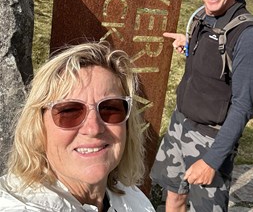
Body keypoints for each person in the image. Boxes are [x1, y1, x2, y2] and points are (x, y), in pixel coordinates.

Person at [150, 0, 253, 211]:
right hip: (179, 123)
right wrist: (188, 43)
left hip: (210, 139)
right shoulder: (201, 18)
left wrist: (212, 160)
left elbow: (242, 105)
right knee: (175, 195)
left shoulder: (248, 35)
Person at [0, 41, 155, 211]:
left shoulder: (131, 196)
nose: (93, 129)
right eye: (69, 111)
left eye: (110, 108)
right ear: (38, 126)